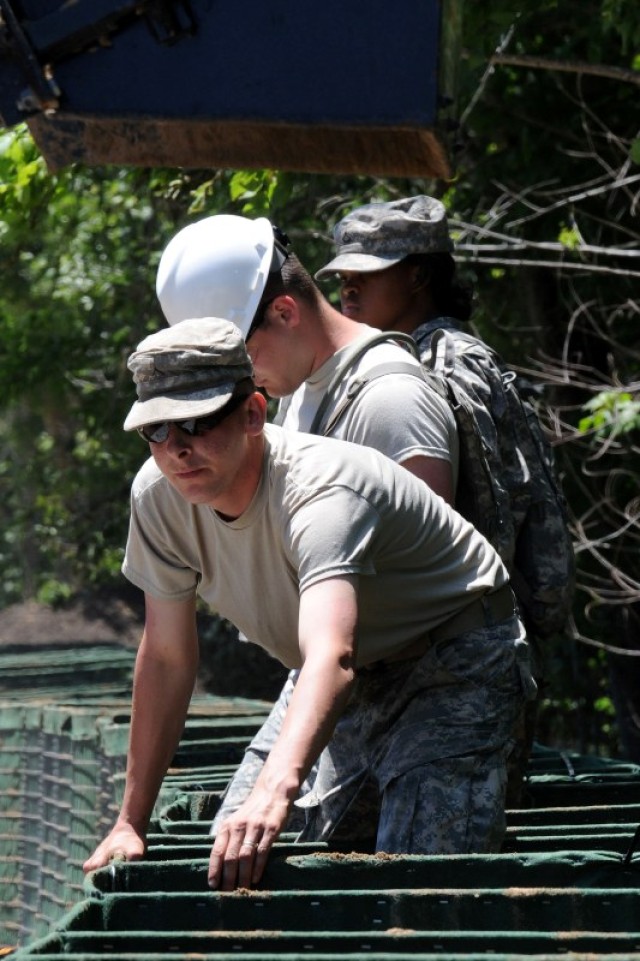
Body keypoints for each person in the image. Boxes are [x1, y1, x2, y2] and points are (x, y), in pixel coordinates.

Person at [83, 317, 534, 891]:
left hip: (452, 660)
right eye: (156, 430)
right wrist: (130, 823)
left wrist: (276, 791)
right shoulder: (157, 497)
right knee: (231, 864)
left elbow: (331, 656)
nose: (176, 449)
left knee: (417, 886)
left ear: (252, 414)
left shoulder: (321, 491)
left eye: (196, 422)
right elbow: (168, 657)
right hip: (337, 671)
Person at [155, 213, 460, 832]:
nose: (228, 382)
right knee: (232, 846)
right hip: (329, 672)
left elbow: (429, 581)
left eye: (238, 354)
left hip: (423, 681)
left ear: (286, 313)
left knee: (412, 889)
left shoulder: (389, 398)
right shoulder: (295, 392)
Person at [315, 194, 575, 798]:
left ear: (419, 275)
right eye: (342, 276)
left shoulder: (442, 363)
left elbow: (484, 515)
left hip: (464, 655)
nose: (348, 288)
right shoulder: (416, 357)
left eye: (367, 273)